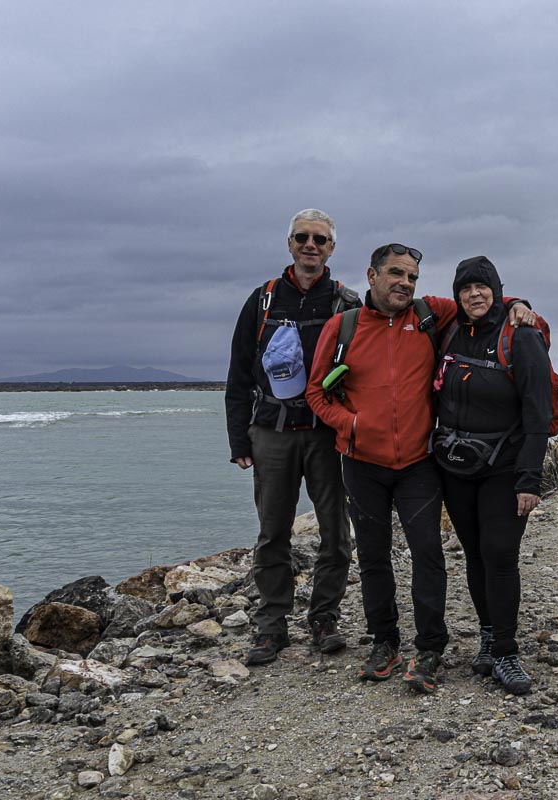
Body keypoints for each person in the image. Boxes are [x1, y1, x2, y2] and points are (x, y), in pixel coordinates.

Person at [305, 243, 537, 694]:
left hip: (417, 463)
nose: (405, 284)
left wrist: (521, 305)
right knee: (372, 557)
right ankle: (385, 640)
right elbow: (316, 393)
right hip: (361, 463)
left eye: (412, 276)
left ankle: (431, 647)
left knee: (428, 555)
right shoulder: (344, 325)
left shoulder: (430, 314)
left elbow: (485, 300)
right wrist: (350, 424)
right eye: (396, 274)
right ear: (371, 275)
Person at [225, 208, 359, 667]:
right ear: (289, 244)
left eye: (320, 239)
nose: (310, 245)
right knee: (271, 536)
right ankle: (270, 627)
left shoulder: (347, 303)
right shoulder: (261, 301)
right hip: (271, 433)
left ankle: (324, 619)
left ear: (331, 249)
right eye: (302, 237)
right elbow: (239, 374)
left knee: (337, 535)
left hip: (327, 435)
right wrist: (238, 442)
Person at [432, 256, 551, 696]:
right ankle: (486, 634)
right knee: (476, 554)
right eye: (466, 289)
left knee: (499, 554)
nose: (474, 295)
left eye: (483, 287)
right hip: (455, 466)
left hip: (504, 466)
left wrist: (529, 479)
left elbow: (538, 414)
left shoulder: (521, 337)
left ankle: (505, 650)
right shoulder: (450, 331)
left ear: (497, 290)